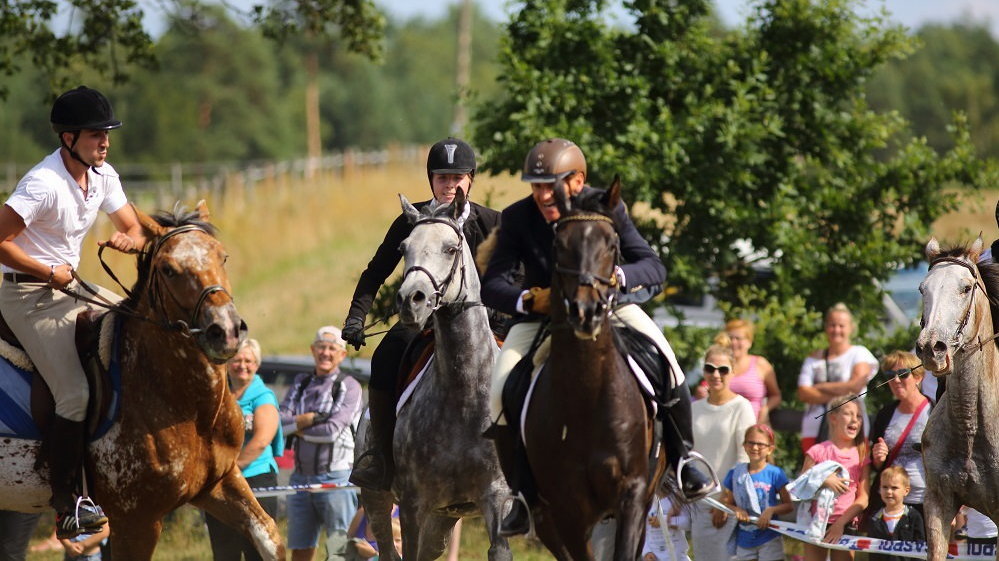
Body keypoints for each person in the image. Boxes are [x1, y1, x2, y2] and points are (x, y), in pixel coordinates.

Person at [480, 138, 713, 536]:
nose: (542, 195)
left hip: (610, 309)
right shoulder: (518, 217)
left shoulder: (607, 205)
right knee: (500, 389)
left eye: (550, 185)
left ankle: (684, 459)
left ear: (578, 180)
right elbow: (493, 282)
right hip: (544, 317)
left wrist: (617, 279)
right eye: (536, 186)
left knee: (668, 363)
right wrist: (526, 299)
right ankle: (521, 494)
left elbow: (652, 266)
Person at [0, 86, 145, 538]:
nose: (105, 141)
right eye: (95, 134)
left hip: (72, 286)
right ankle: (68, 503)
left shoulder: (102, 175)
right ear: (68, 139)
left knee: (139, 332)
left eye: (107, 133)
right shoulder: (42, 184)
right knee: (75, 395)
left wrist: (130, 239)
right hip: (26, 295)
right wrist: (46, 272)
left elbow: (135, 227)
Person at [344, 138, 501, 492]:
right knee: (384, 358)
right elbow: (376, 272)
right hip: (422, 322)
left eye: (457, 177)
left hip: (482, 323)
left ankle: (524, 460)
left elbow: (513, 274)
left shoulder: (491, 221)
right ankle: (381, 457)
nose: (450, 185)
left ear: (470, 179)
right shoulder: (409, 219)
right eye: (442, 177)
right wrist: (356, 317)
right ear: (431, 180)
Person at [279, 326, 364, 561]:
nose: (325, 353)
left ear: (342, 355)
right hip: (300, 479)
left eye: (332, 348)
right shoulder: (301, 383)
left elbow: (331, 431)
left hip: (335, 478)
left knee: (340, 548)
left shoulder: (349, 386)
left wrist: (298, 428)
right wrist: (306, 420)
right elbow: (279, 422)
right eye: (321, 347)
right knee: (300, 548)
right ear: (312, 350)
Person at [205, 338, 284, 561]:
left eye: (249, 361)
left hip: (256, 479)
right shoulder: (217, 394)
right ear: (228, 364)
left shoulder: (264, 396)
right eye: (237, 360)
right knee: (224, 552)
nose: (243, 365)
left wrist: (232, 468)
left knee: (256, 551)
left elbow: (261, 441)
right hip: (220, 484)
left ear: (257, 365)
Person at [690, 334, 756, 561]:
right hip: (698, 501)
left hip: (729, 502)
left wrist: (727, 501)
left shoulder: (742, 407)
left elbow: (744, 458)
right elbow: (687, 455)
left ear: (733, 371)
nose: (716, 374)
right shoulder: (694, 409)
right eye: (710, 368)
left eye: (723, 369)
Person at [796, 303, 878, 453]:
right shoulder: (813, 358)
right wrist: (843, 391)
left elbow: (855, 387)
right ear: (826, 327)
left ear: (851, 328)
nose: (836, 330)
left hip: (850, 428)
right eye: (832, 325)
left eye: (841, 325)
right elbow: (803, 393)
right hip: (813, 429)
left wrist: (820, 387)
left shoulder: (859, 353)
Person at [800, 394, 872, 561]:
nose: (855, 420)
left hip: (846, 524)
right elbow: (801, 485)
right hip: (815, 522)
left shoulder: (862, 455)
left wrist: (840, 524)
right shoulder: (816, 451)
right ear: (833, 417)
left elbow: (863, 498)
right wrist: (824, 480)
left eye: (859, 416)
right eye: (848, 413)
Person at [869, 351, 930, 519]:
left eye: (903, 374)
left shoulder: (935, 411)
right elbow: (875, 465)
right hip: (890, 505)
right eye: (890, 375)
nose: (895, 380)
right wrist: (878, 458)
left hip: (927, 503)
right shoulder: (885, 414)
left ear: (918, 378)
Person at [720, 424, 792, 561]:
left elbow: (789, 505)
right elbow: (727, 504)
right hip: (745, 539)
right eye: (751, 443)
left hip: (769, 537)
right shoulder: (736, 473)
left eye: (760, 444)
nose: (754, 447)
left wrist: (771, 510)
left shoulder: (775, 474)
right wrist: (737, 510)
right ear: (744, 445)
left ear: (770, 449)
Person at [725, 319, 781, 424]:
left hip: (752, 427)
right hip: (724, 426)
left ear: (749, 342)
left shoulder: (760, 364)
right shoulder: (719, 365)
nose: (733, 342)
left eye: (738, 338)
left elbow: (776, 395)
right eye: (730, 338)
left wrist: (765, 409)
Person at [866, 466, 924, 561]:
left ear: (906, 491)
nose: (889, 491)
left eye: (894, 488)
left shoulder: (914, 516)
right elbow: (872, 551)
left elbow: (920, 548)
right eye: (885, 487)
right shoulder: (874, 518)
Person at [642, 496, 691, 561]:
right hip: (654, 557)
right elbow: (641, 532)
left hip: (678, 557)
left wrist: (663, 521)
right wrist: (646, 552)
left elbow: (688, 523)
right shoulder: (645, 501)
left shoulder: (676, 499)